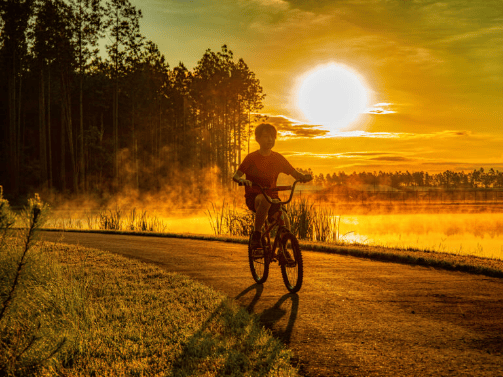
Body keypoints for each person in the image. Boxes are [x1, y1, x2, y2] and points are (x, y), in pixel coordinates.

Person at [232, 123, 312, 253]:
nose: (269, 140)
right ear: (257, 139)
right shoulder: (251, 158)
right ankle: (257, 237)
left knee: (284, 218)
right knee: (265, 199)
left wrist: (303, 177)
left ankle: (283, 250)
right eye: (265, 136)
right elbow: (236, 176)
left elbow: (294, 172)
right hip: (255, 197)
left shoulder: (277, 158)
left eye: (272, 137)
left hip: (273, 197)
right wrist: (241, 180)